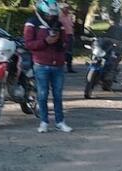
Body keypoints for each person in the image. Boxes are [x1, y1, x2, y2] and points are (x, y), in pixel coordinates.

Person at [24, 0, 72, 133]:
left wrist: (59, 43)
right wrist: (45, 41)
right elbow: (29, 44)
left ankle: (60, 121)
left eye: (52, 15)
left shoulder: (59, 24)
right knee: (42, 95)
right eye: (47, 14)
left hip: (58, 65)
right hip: (41, 64)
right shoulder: (32, 23)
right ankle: (44, 122)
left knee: (58, 95)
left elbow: (66, 43)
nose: (50, 17)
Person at [58, 3, 76, 73]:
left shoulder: (69, 16)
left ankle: (70, 68)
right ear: (62, 9)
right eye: (66, 8)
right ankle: (60, 67)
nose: (68, 9)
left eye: (68, 8)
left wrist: (73, 35)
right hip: (63, 35)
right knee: (63, 52)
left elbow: (72, 27)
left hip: (70, 35)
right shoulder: (59, 17)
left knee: (70, 52)